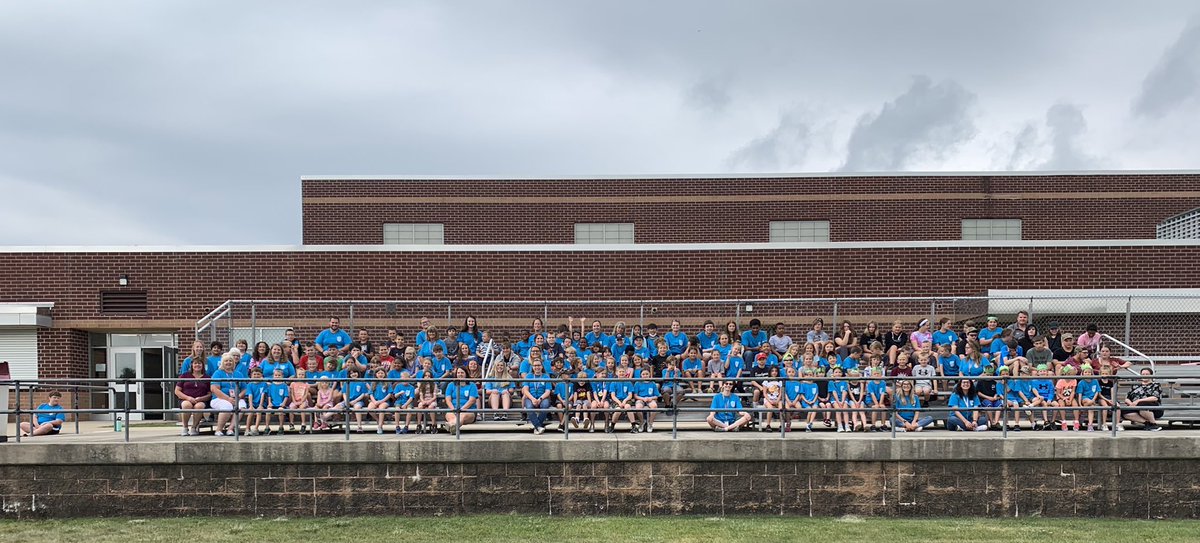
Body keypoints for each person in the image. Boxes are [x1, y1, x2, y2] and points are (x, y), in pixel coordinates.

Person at [209, 353, 246, 436]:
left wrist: (239, 396)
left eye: (230, 361)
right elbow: (214, 389)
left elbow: (244, 388)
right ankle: (219, 430)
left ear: (233, 363)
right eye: (226, 361)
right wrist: (228, 399)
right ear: (222, 363)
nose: (228, 362)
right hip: (219, 399)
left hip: (235, 398)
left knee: (242, 406)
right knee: (227, 406)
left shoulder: (238, 374)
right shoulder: (218, 373)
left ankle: (230, 429)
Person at [174, 357, 210, 436]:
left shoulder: (207, 377)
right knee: (187, 405)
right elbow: (177, 391)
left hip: (201, 400)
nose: (197, 365)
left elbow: (210, 393)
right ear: (192, 365)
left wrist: (201, 398)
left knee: (199, 406)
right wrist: (188, 398)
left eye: (199, 363)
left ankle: (194, 427)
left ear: (203, 365)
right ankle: (185, 427)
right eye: (195, 363)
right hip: (185, 399)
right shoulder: (185, 375)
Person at [521, 358, 553, 435]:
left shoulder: (546, 376)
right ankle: (538, 426)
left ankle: (536, 427)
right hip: (530, 397)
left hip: (543, 397)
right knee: (529, 407)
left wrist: (540, 399)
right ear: (532, 367)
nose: (537, 367)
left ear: (542, 366)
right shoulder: (529, 376)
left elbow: (548, 391)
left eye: (538, 365)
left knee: (545, 405)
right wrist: (532, 399)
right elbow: (525, 390)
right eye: (535, 365)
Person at [443, 366, 479, 433]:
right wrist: (454, 410)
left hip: (468, 410)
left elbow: (472, 400)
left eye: (462, 372)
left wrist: (460, 410)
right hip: (453, 409)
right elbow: (448, 400)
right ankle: (453, 427)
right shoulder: (451, 385)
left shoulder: (472, 385)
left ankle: (451, 425)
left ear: (466, 374)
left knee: (462, 415)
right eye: (458, 373)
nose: (460, 374)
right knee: (450, 415)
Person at [633, 368, 661, 433]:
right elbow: (635, 396)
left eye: (646, 374)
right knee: (638, 407)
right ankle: (642, 422)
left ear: (649, 375)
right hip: (641, 398)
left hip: (650, 399)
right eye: (643, 374)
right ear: (641, 375)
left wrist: (651, 398)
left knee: (654, 406)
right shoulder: (637, 383)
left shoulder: (653, 383)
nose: (645, 375)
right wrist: (642, 399)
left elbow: (656, 396)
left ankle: (650, 423)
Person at [366, 368, 393, 434]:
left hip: (384, 401)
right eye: (378, 373)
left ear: (384, 374)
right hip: (375, 400)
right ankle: (379, 420)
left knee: (381, 408)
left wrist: (381, 401)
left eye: (382, 373)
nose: (380, 375)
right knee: (370, 408)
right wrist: (374, 401)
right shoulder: (374, 383)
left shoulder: (387, 383)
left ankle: (380, 426)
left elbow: (389, 394)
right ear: (376, 374)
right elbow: (371, 393)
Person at [265, 368, 291, 435]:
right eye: (276, 375)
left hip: (281, 404)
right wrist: (269, 403)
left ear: (282, 376)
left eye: (279, 375)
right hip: (273, 404)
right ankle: (267, 427)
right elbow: (269, 396)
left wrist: (283, 404)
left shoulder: (284, 385)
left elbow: (286, 396)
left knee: (281, 411)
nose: (277, 376)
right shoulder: (271, 385)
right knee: (268, 411)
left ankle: (281, 427)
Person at [288, 366, 311, 433]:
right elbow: (292, 394)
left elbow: (306, 394)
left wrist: (301, 401)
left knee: (302, 408)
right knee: (291, 407)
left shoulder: (306, 384)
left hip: (303, 400)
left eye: (302, 374)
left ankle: (303, 424)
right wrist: (294, 401)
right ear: (296, 375)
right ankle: (291, 423)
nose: (301, 376)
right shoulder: (293, 384)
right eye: (299, 374)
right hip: (295, 400)